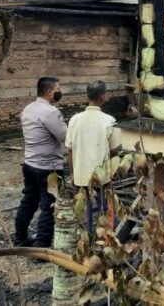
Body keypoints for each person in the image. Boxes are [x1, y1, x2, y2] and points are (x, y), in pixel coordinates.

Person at [14, 76, 67, 248]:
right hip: (48, 169)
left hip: (30, 164)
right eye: (58, 89)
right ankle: (41, 244)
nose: (60, 91)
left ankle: (20, 238)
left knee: (29, 201)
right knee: (49, 205)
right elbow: (65, 137)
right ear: (50, 92)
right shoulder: (51, 113)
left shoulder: (28, 109)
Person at [65, 80, 120, 231]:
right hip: (101, 175)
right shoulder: (109, 121)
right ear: (103, 97)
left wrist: (72, 173)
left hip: (81, 174)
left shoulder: (74, 120)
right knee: (105, 207)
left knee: (85, 210)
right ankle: (107, 235)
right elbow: (115, 150)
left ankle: (87, 236)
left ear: (87, 96)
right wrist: (112, 171)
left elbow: (70, 150)